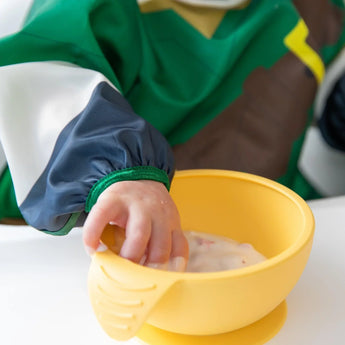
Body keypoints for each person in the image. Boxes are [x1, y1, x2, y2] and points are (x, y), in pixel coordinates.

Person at [0, 0, 344, 269]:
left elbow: (330, 65)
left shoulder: (319, 8)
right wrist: (117, 171)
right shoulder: (97, 8)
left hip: (269, 219)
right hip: (88, 224)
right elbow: (46, 83)